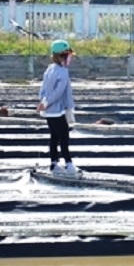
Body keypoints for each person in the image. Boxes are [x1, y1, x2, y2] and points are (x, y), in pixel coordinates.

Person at [37, 39, 77, 175]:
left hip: (48, 111)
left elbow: (42, 89)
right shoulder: (62, 72)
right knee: (64, 138)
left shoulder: (49, 69)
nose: (70, 59)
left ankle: (54, 164)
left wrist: (43, 102)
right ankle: (69, 165)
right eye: (68, 56)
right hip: (57, 110)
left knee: (54, 137)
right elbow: (58, 92)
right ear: (62, 56)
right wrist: (47, 102)